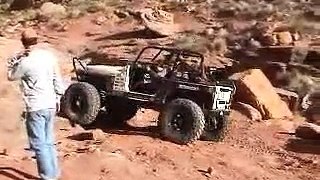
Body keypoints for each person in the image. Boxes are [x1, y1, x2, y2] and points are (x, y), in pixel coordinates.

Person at [7, 28, 64, 180]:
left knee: (39, 144)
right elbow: (57, 80)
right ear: (37, 40)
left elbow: (11, 76)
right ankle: (54, 173)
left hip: (35, 106)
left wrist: (15, 59)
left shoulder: (25, 62)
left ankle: (47, 177)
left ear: (23, 42)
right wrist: (58, 97)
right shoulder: (49, 56)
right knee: (49, 141)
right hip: (51, 103)